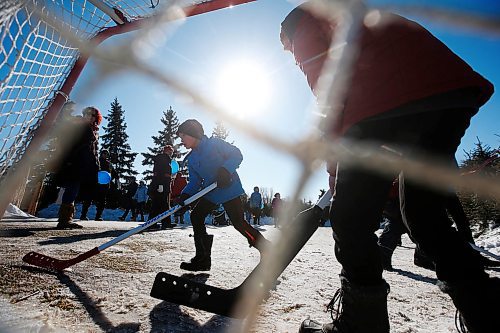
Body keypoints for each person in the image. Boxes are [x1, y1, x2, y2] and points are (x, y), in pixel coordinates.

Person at [280, 2, 497, 332]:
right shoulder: (354, 20)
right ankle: (486, 313)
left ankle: (361, 324)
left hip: (385, 103)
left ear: (288, 32)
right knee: (424, 215)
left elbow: (331, 95)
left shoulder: (306, 26)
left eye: (287, 47)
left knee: (350, 217)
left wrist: (337, 171)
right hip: (449, 95)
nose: (290, 54)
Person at [175, 119, 270, 271]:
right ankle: (202, 259)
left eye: (183, 136)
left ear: (194, 134)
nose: (181, 140)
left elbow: (237, 155)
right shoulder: (192, 159)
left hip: (229, 189)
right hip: (211, 192)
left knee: (238, 223)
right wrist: (184, 196)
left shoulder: (215, 144)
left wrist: (226, 169)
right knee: (196, 216)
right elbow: (194, 182)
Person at [53, 105, 101, 229]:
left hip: (83, 164)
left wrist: (96, 164)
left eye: (90, 115)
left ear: (95, 118)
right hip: (74, 163)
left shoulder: (92, 130)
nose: (87, 117)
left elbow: (92, 151)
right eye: (85, 114)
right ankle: (64, 220)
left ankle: (66, 219)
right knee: (72, 189)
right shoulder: (79, 126)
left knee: (74, 190)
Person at [80, 149, 113, 221]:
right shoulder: (97, 161)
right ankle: (83, 215)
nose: (105, 155)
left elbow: (111, 172)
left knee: (102, 201)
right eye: (104, 153)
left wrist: (115, 179)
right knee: (88, 199)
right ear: (101, 154)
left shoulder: (109, 163)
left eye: (107, 154)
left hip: (104, 185)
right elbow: (91, 170)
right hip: (95, 184)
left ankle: (98, 216)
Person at [148, 145, 175, 229]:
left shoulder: (165, 160)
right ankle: (160, 222)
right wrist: (160, 184)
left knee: (161, 204)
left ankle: (158, 222)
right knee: (161, 204)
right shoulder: (163, 159)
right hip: (161, 185)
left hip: (164, 185)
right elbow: (159, 173)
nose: (171, 153)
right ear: (167, 151)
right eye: (170, 151)